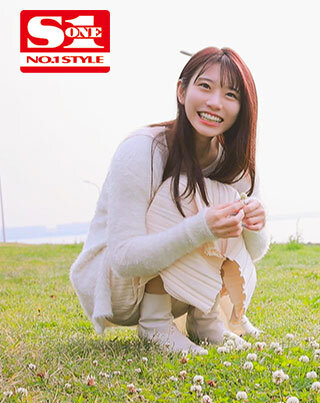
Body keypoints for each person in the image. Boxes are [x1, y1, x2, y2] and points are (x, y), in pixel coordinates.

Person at [69, 47, 268, 355]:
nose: (215, 103)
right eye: (205, 86)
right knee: (184, 189)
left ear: (243, 107)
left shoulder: (234, 162)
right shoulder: (143, 150)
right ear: (181, 91)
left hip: (179, 290)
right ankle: (155, 323)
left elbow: (253, 251)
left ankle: (206, 319)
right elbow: (123, 258)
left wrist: (254, 224)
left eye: (230, 94)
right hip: (113, 284)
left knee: (225, 201)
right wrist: (201, 228)